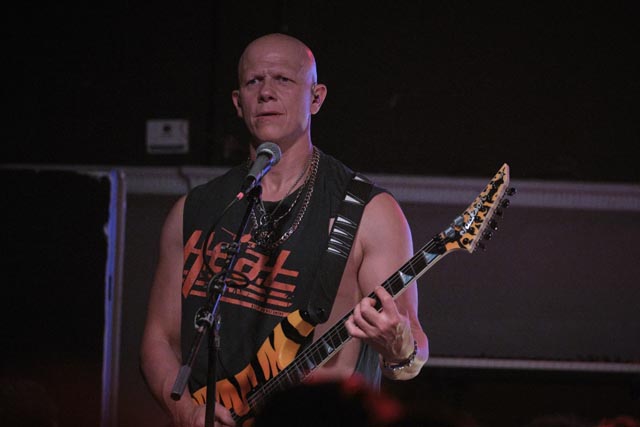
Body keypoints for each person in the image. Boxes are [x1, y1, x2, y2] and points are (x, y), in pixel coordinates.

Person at [140, 33, 429, 427]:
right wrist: (185, 411)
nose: (266, 92)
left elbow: (411, 354)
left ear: (316, 97)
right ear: (238, 102)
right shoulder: (196, 209)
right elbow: (158, 338)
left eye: (283, 79)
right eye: (253, 81)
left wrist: (398, 348)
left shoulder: (369, 212)